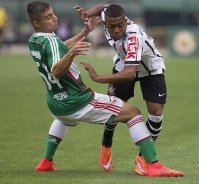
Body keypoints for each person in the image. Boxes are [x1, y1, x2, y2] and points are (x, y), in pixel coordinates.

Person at [27, 1, 183, 177]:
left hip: (56, 102)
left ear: (125, 21)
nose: (54, 18)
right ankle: (152, 164)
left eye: (53, 14)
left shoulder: (35, 40)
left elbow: (61, 46)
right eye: (49, 17)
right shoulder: (52, 40)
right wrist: (73, 53)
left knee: (63, 119)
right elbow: (56, 69)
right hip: (78, 100)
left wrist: (85, 31)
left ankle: (46, 161)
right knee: (133, 113)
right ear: (36, 23)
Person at [75, 4, 169, 176]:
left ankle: (142, 158)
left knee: (156, 114)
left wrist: (97, 78)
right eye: (112, 26)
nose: (116, 30)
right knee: (114, 110)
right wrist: (88, 14)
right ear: (105, 23)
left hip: (149, 69)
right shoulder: (107, 16)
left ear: (126, 21)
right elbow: (104, 7)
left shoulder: (133, 37)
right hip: (123, 64)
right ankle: (106, 144)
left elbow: (129, 74)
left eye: (120, 25)